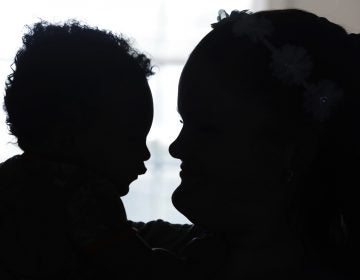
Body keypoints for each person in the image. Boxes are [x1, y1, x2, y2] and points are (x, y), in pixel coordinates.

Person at [169, 9, 360, 279]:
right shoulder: (147, 246)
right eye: (183, 123)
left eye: (208, 130)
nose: (177, 148)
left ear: (294, 152)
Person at [0, 20, 189, 279]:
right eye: (131, 139)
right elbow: (135, 264)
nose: (144, 155)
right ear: (68, 132)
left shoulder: (10, 177)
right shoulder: (87, 195)